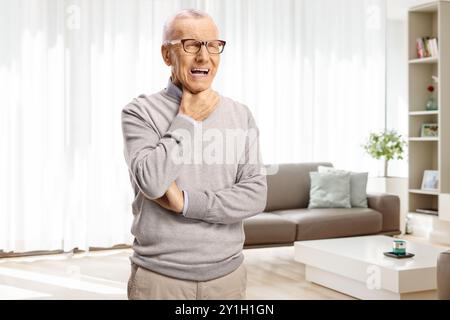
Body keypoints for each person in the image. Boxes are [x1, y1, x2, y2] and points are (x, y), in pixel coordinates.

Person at [121, 8, 267, 300]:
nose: (204, 56)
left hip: (228, 277)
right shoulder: (139, 112)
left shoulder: (241, 114)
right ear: (167, 55)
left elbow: (255, 195)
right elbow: (152, 181)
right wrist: (187, 119)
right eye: (191, 45)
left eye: (213, 45)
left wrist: (186, 202)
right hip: (160, 279)